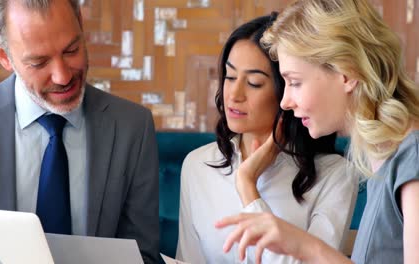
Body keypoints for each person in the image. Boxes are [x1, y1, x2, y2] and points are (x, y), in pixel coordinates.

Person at [0, 0, 159, 263]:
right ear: (2, 54)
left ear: (81, 24)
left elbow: (143, 256)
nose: (62, 76)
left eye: (71, 50)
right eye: (38, 62)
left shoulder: (133, 127)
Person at [215, 0, 419, 264]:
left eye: (295, 82)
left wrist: (303, 245)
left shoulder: (411, 154)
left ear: (347, 73)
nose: (285, 101)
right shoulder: (381, 154)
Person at [176, 14, 358, 264]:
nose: (234, 95)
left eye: (254, 83)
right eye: (229, 77)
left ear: (287, 90)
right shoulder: (197, 166)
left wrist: (247, 185)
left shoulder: (335, 175)